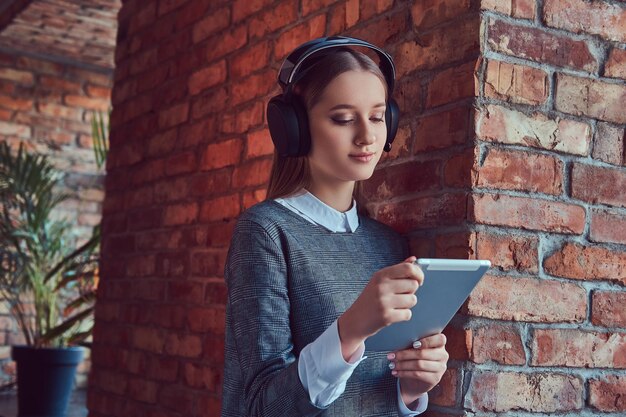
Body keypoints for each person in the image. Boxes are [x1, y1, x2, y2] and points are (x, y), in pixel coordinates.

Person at [221, 36, 448, 417]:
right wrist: (351, 329)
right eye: (343, 118)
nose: (366, 136)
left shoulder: (390, 246)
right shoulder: (265, 233)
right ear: (294, 129)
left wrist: (409, 391)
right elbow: (261, 407)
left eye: (377, 117)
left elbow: (366, 398)